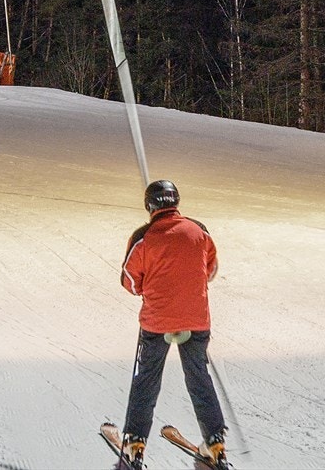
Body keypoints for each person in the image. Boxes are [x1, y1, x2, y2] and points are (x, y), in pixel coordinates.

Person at [116, 178, 228, 470]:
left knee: (147, 379)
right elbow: (211, 268)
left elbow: (129, 280)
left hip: (157, 322)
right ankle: (215, 443)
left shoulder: (144, 236)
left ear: (149, 205)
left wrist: (146, 287)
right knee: (198, 377)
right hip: (196, 319)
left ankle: (135, 444)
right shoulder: (198, 231)